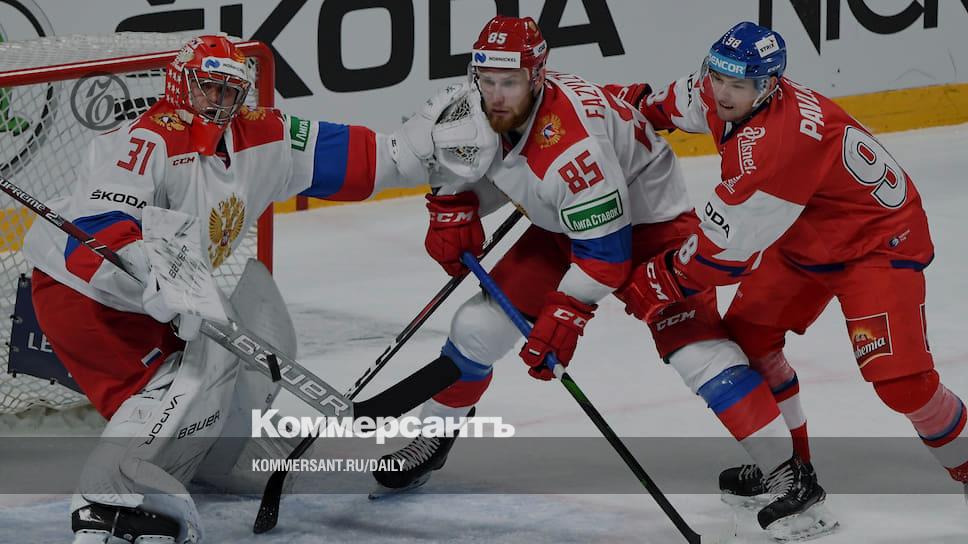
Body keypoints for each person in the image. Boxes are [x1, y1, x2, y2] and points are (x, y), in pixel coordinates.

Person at [370, 16, 831, 539]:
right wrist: (454, 202)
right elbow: (493, 160)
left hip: (650, 226)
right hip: (569, 224)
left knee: (696, 350)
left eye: (509, 80)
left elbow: (605, 255)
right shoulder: (485, 102)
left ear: (537, 76)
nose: (496, 93)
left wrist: (567, 313)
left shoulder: (573, 143)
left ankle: (788, 474)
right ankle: (434, 435)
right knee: (477, 329)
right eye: (487, 79)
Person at [22, 34, 473, 544]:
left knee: (257, 340)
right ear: (181, 85)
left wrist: (412, 150)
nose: (218, 101)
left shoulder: (264, 135)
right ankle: (110, 500)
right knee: (190, 375)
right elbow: (94, 231)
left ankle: (219, 456)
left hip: (167, 290)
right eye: (207, 88)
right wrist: (149, 269)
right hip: (87, 294)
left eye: (228, 90)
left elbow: (356, 159)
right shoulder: (147, 139)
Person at [619, 19, 968, 526]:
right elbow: (658, 105)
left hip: (875, 242)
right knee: (749, 339)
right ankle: (793, 473)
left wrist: (657, 279)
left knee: (902, 383)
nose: (722, 93)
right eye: (717, 77)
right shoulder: (720, 90)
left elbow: (723, 255)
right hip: (804, 230)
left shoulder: (775, 148)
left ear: (768, 86)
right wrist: (604, 112)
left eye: (738, 85)